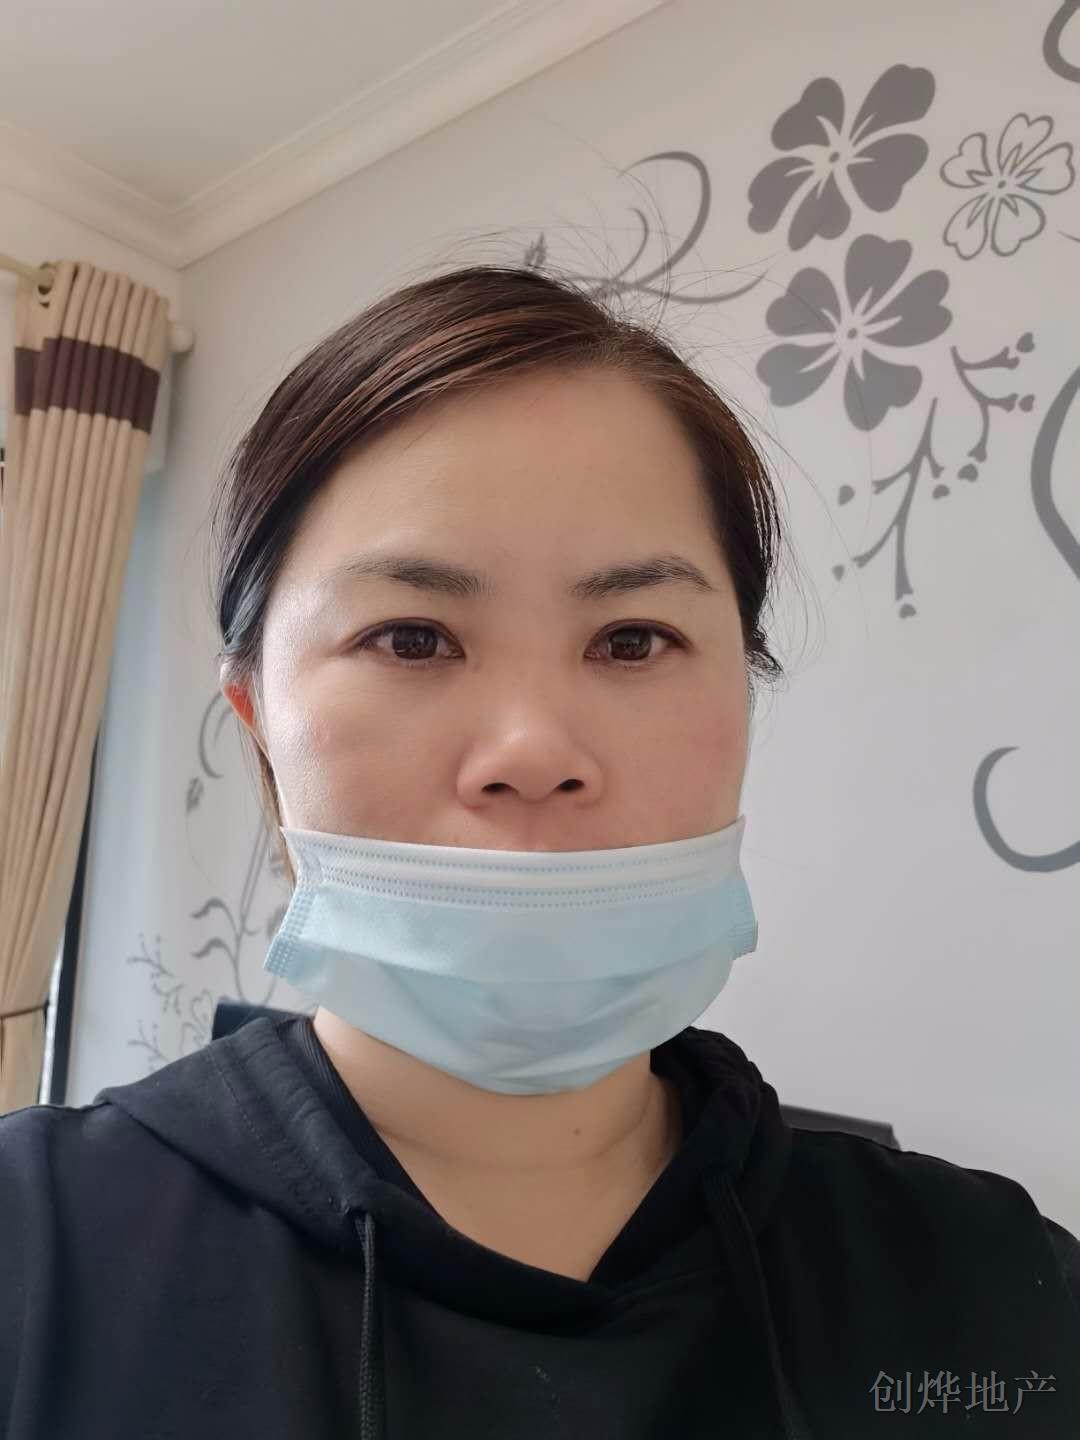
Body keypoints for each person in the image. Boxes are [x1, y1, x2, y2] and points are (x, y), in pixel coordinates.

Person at [1, 263, 1078, 1440]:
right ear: (259, 719)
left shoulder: (995, 1283)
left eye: (633, 639)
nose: (531, 751)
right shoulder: (36, 1244)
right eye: (413, 638)